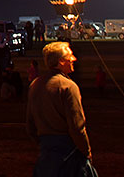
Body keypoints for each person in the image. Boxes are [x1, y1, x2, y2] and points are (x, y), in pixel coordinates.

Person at [26, 41, 91, 177]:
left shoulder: (35, 85)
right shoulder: (68, 86)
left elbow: (30, 125)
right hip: (69, 155)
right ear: (61, 61)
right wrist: (86, 151)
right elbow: (77, 127)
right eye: (70, 56)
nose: (74, 59)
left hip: (47, 154)